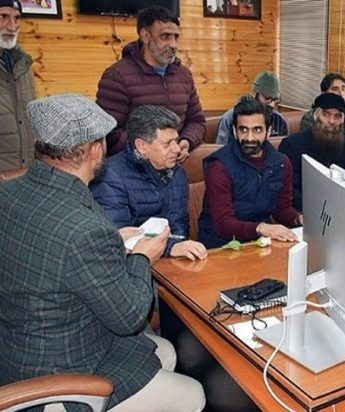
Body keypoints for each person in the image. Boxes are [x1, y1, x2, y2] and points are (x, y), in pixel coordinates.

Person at [0, 94, 205, 411]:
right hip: (59, 372)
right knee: (194, 394)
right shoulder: (86, 228)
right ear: (96, 150)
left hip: (17, 345)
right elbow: (131, 318)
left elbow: (60, 254)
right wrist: (141, 256)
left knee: (165, 350)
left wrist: (114, 242)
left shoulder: (8, 192)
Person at [90, 105, 208, 261]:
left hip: (173, 261)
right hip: (131, 265)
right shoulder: (109, 177)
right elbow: (119, 238)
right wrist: (172, 247)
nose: (177, 149)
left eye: (176, 141)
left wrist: (180, 246)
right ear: (141, 146)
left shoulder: (177, 173)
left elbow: (179, 224)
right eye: (167, 144)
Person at [96, 6, 206, 159]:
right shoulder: (117, 75)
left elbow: (197, 121)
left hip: (176, 160)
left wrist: (187, 141)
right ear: (145, 36)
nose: (173, 45)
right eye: (165, 36)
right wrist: (150, 150)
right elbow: (108, 133)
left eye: (176, 37)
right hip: (134, 166)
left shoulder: (184, 75)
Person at [199, 97, 300, 248]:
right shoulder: (219, 166)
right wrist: (262, 228)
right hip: (220, 245)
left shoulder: (282, 163)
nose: (250, 138)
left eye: (257, 130)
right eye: (243, 130)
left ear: (269, 131)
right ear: (234, 131)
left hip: (261, 242)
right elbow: (223, 224)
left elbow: (282, 209)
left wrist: (299, 219)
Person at [279, 93, 345, 211]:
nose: (332, 121)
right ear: (315, 115)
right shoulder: (292, 144)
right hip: (304, 210)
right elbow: (290, 191)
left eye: (337, 116)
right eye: (326, 115)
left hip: (340, 209)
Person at [0, 0, 35, 172]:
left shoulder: (23, 65)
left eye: (17, 18)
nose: (12, 27)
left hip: (24, 180)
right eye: (3, 17)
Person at [216, 71, 288, 144]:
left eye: (275, 100)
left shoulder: (279, 121)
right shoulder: (229, 119)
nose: (272, 105)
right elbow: (222, 151)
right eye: (267, 99)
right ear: (254, 94)